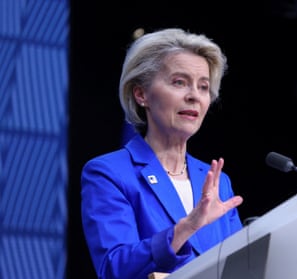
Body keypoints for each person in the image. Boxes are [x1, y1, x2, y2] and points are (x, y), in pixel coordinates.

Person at [80, 28, 244, 279]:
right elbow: (114, 268)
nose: (194, 97)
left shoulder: (218, 181)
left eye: (203, 87)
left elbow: (240, 267)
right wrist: (185, 229)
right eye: (179, 82)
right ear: (141, 94)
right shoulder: (109, 173)